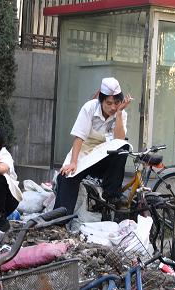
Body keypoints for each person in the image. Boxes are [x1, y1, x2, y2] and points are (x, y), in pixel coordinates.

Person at [53, 77, 132, 215]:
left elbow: (119, 140)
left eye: (116, 103)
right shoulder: (89, 108)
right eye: (108, 103)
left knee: (123, 147)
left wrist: (119, 114)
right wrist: (73, 162)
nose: (113, 107)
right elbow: (79, 137)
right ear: (101, 100)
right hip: (85, 152)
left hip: (104, 156)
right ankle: (59, 220)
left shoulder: (120, 113)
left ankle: (112, 193)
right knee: (68, 176)